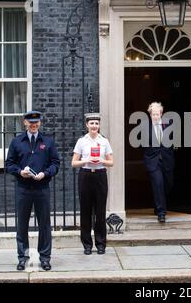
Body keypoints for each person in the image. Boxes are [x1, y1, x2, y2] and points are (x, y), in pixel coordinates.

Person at [6, 111, 60, 271]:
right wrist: (19, 172)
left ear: (40, 123)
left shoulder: (48, 142)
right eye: (31, 122)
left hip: (42, 188)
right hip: (23, 189)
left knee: (44, 225)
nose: (34, 125)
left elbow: (55, 163)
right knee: (22, 224)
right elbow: (9, 163)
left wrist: (46, 173)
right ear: (25, 123)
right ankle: (23, 257)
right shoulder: (17, 142)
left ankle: (45, 258)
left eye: (36, 122)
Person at [71, 113, 114, 255]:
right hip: (85, 175)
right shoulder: (81, 141)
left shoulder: (104, 141)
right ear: (87, 125)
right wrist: (86, 160)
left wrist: (101, 161)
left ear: (99, 125)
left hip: (100, 175)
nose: (94, 126)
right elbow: (74, 163)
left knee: (100, 212)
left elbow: (111, 162)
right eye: (92, 123)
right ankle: (87, 245)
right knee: (86, 211)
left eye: (96, 123)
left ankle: (101, 244)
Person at [142, 102, 175, 223]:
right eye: (153, 114)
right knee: (158, 183)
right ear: (150, 114)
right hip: (153, 160)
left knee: (168, 183)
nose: (155, 116)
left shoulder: (169, 124)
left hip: (167, 159)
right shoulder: (144, 126)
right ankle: (161, 213)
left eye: (157, 114)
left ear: (161, 113)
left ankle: (157, 205)